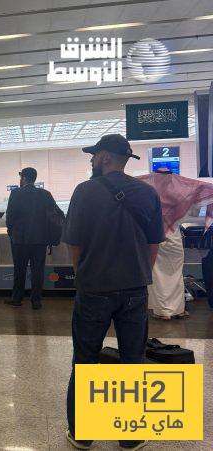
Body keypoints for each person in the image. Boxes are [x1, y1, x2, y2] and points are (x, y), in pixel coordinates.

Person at [62, 134, 164, 451]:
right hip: (134, 289)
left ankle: (82, 434)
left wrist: (84, 275)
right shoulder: (148, 193)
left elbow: (74, 244)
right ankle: (130, 436)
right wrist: (139, 275)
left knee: (85, 360)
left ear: (105, 157)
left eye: (94, 155)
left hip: (94, 288)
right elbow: (153, 244)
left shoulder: (84, 191)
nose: (92, 160)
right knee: (133, 360)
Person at [138, 168, 213, 319]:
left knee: (157, 274)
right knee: (175, 273)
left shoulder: (146, 192)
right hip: (173, 237)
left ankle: (161, 311)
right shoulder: (179, 193)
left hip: (152, 237)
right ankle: (176, 309)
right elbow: (194, 212)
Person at [4, 167, 58, 309]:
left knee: (19, 269)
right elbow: (55, 215)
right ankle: (36, 300)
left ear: (24, 178)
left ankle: (17, 298)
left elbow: (10, 216)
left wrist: (11, 231)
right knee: (38, 270)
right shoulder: (45, 194)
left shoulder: (16, 193)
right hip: (40, 240)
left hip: (19, 240)